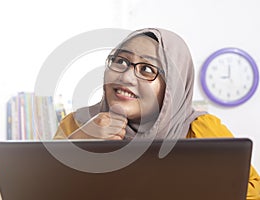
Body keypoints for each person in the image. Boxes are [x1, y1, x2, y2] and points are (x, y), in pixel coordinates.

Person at [53, 28, 260, 199]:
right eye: (121, 61)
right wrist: (77, 145)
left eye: (147, 69)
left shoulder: (199, 130)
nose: (126, 77)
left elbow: (252, 191)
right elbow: (41, 189)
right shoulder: (77, 124)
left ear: (172, 86)